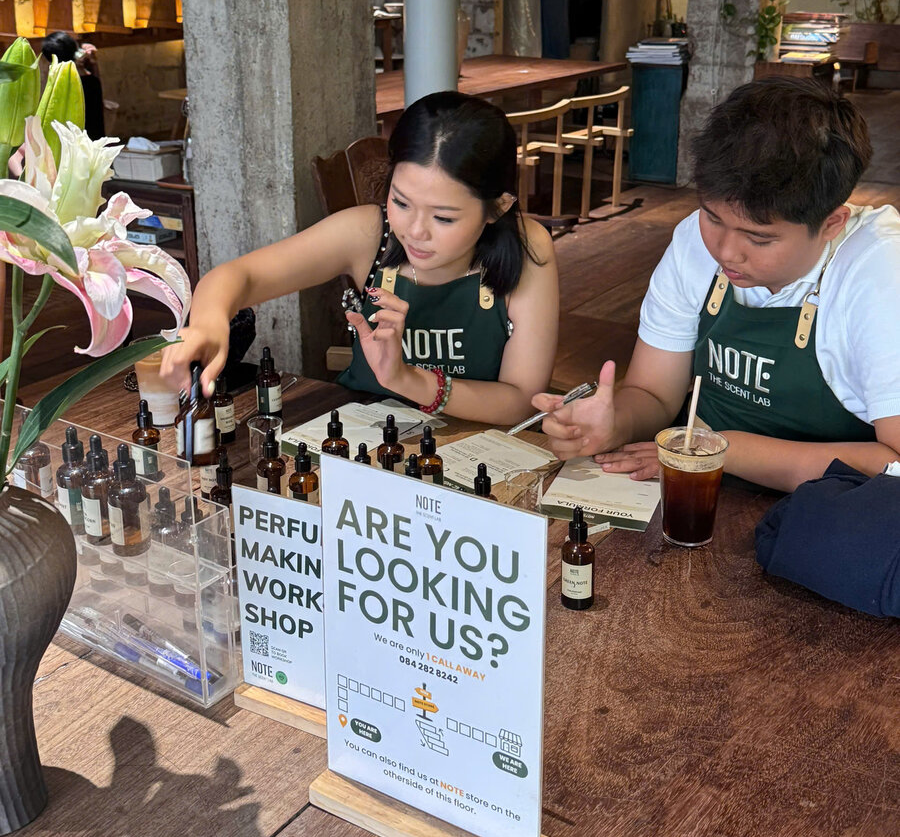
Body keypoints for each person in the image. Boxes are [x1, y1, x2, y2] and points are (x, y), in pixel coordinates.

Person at [535, 77, 900, 492]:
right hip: (694, 480)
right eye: (712, 217)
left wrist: (720, 451)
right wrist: (611, 423)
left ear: (831, 223)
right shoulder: (695, 240)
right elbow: (654, 393)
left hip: (829, 512)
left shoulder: (880, 272)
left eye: (759, 238)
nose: (726, 252)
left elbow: (895, 464)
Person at [161, 92, 558, 424]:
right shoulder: (370, 234)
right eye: (401, 202)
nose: (415, 230)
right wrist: (211, 323)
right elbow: (239, 276)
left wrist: (408, 380)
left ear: (498, 207)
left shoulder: (528, 247)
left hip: (476, 451)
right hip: (363, 440)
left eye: (443, 217)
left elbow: (521, 399)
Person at [41, 31, 105, 140]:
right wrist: (93, 63)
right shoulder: (91, 82)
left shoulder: (56, 84)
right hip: (92, 144)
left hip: (65, 145)